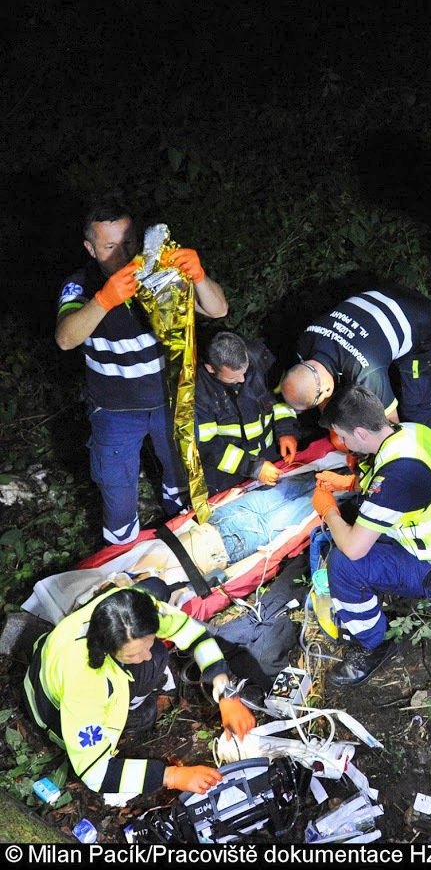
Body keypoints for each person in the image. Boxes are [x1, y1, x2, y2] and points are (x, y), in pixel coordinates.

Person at [56, 196, 228, 545]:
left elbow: (218, 309)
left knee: (182, 479)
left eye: (129, 241)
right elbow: (65, 338)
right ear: (90, 248)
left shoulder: (159, 271)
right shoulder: (81, 284)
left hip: (170, 402)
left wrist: (197, 276)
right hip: (114, 410)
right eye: (109, 246)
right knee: (118, 494)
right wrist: (104, 299)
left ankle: (186, 547)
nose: (122, 253)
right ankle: (123, 569)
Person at [23, 583, 255, 799]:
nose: (144, 655)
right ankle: (132, 715)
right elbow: (95, 773)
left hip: (53, 655)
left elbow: (191, 632)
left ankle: (133, 695)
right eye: (132, 655)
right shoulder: (85, 683)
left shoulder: (130, 610)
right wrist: (171, 776)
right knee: (145, 704)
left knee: (157, 651)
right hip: (52, 707)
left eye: (147, 642)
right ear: (106, 648)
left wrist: (225, 691)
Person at [310, 385, 431, 686]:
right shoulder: (411, 431)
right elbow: (386, 480)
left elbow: (354, 548)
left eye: (344, 438)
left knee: (343, 562)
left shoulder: (399, 475)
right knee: (356, 522)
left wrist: (327, 510)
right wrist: (349, 484)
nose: (343, 445)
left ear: (360, 432)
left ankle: (372, 644)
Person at [280, 285, 431, 427]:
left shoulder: (367, 371)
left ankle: (423, 455)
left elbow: (390, 424)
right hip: (391, 294)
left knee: (414, 409)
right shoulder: (306, 340)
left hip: (426, 324)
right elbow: (322, 393)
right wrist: (335, 429)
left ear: (326, 390)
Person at [195, 331, 299, 495]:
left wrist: (286, 430)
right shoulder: (198, 391)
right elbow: (207, 445)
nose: (243, 380)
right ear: (210, 368)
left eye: (245, 371)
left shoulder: (260, 357)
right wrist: (252, 467)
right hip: (230, 470)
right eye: (232, 378)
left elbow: (280, 395)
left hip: (270, 452)